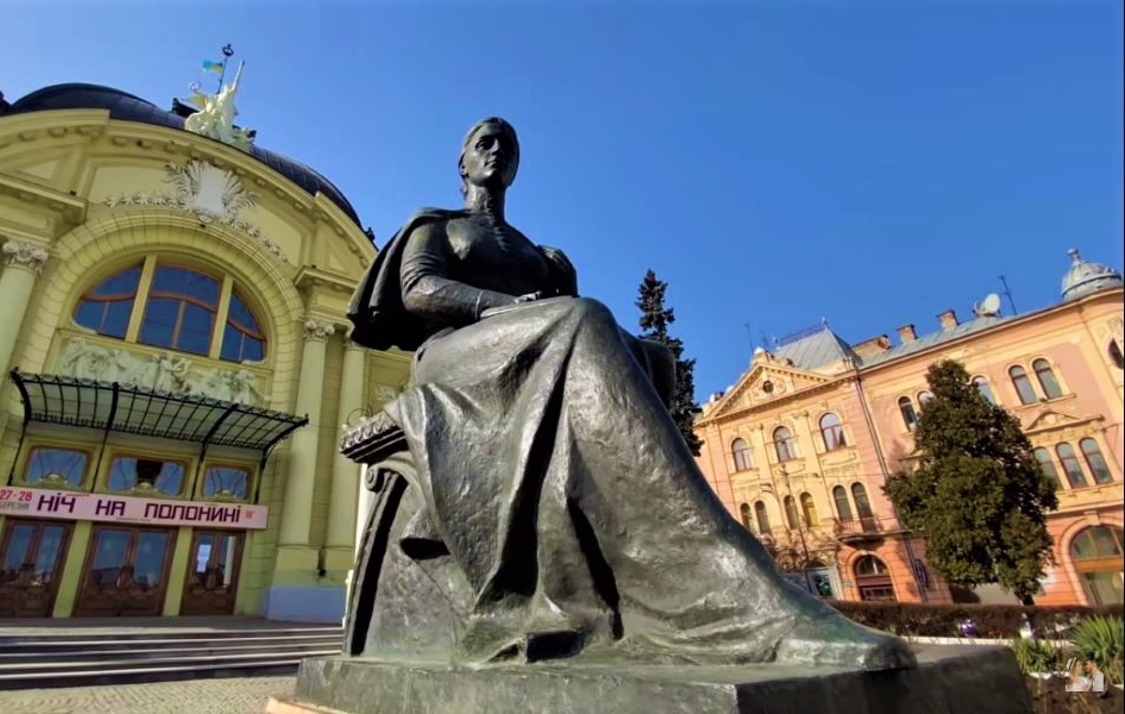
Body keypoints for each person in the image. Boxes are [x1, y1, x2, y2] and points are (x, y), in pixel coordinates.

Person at [348, 117, 915, 671]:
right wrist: (501, 306)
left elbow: (564, 319)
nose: (496, 151)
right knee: (585, 317)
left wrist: (555, 287)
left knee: (654, 355)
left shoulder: (534, 249)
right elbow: (419, 290)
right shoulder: (437, 225)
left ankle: (626, 563)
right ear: (463, 162)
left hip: (530, 346)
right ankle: (720, 576)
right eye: (484, 143)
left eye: (508, 147)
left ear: (517, 168)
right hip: (456, 355)